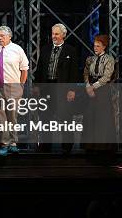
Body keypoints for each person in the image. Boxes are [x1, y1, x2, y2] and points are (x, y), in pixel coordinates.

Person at [34, 23, 79, 154]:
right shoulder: (45, 49)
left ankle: (66, 147)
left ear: (63, 35)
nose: (53, 36)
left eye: (57, 34)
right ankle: (45, 146)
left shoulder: (71, 50)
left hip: (63, 89)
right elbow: (40, 69)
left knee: (65, 117)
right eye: (53, 33)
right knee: (45, 117)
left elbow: (74, 72)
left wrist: (72, 90)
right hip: (47, 88)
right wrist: (37, 85)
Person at [0, 26, 29, 156]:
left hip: (14, 86)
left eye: (2, 36)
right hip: (0, 87)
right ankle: (5, 143)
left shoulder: (17, 49)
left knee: (12, 116)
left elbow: (24, 69)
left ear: (9, 36)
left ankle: (13, 142)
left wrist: (21, 85)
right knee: (2, 116)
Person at [82, 34, 117, 164]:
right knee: (91, 117)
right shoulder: (90, 59)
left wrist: (94, 87)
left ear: (104, 46)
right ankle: (90, 147)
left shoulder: (109, 59)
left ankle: (104, 149)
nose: (95, 48)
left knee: (103, 119)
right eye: (94, 45)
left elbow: (107, 76)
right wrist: (87, 86)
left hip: (102, 90)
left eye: (98, 46)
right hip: (91, 89)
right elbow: (86, 73)